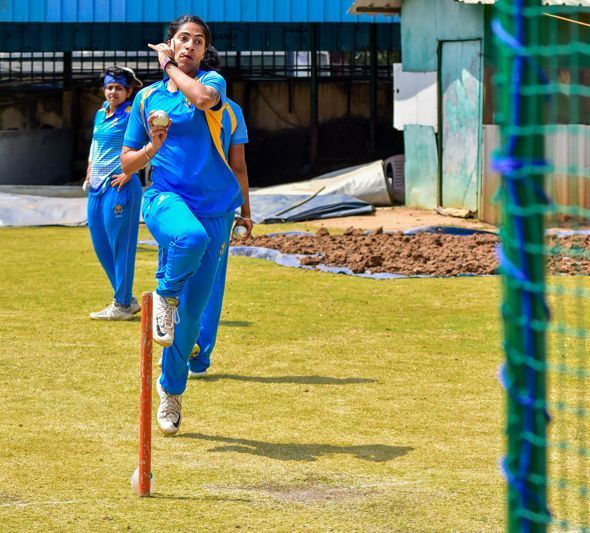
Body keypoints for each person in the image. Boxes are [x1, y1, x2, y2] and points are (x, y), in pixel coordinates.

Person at [121, 15, 244, 436]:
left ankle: (171, 392)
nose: (189, 46)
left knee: (190, 321)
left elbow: (203, 100)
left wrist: (169, 64)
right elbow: (127, 162)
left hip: (216, 208)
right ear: (170, 42)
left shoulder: (214, 83)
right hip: (164, 197)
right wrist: (152, 146)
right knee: (189, 237)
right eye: (182, 39)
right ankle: (164, 296)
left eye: (198, 41)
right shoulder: (146, 99)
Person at [188, 46, 253, 378]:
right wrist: (246, 212)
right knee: (211, 281)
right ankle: (198, 356)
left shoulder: (175, 104)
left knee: (180, 274)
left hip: (185, 201)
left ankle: (180, 345)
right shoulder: (233, 111)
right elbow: (239, 167)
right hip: (220, 206)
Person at [85, 66, 143, 321]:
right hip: (96, 187)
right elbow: (95, 145)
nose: (113, 92)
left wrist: (131, 172)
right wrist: (89, 171)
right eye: (109, 87)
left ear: (129, 91)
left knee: (122, 246)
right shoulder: (100, 114)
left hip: (119, 185)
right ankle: (126, 298)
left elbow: (150, 143)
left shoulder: (132, 115)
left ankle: (121, 304)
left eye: (119, 88)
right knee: (101, 245)